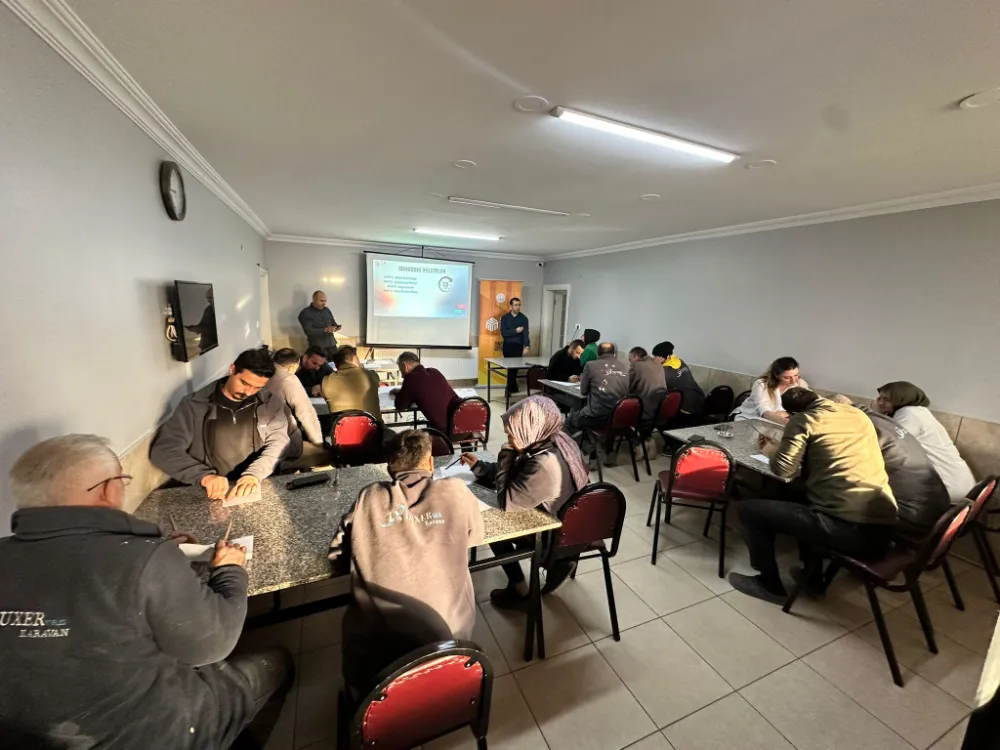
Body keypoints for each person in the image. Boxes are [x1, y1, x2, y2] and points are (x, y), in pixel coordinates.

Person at [0, 435, 292, 749]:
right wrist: (230, 569)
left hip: (29, 740)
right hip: (153, 734)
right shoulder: (141, 556)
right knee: (277, 663)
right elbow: (213, 644)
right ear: (108, 489)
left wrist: (164, 560)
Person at [329, 430, 484, 697]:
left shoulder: (369, 496)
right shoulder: (456, 491)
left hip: (375, 673)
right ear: (430, 463)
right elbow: (475, 537)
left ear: (389, 467)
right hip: (452, 649)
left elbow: (337, 557)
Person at [730, 388, 897, 603]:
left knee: (748, 510)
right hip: (884, 527)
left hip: (847, 528)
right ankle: (813, 581)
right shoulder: (857, 415)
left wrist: (771, 451)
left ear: (792, 414)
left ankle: (769, 584)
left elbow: (783, 470)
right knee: (801, 499)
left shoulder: (805, 420)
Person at [460, 396, 590, 608]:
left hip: (553, 534)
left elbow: (506, 501)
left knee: (490, 523)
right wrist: (480, 467)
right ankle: (562, 561)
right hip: (571, 523)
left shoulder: (545, 464)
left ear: (530, 430)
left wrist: (506, 453)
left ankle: (519, 588)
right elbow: (520, 474)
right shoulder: (557, 441)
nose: (508, 438)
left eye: (511, 434)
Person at [151, 348, 289, 501]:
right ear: (232, 369)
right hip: (213, 492)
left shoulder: (269, 402)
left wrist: (254, 474)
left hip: (255, 485)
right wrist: (204, 476)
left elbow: (279, 441)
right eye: (244, 383)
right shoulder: (194, 405)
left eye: (258, 387)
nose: (249, 392)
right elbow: (163, 451)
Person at [832, 395, 950, 541]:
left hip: (912, 519)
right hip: (937, 510)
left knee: (829, 505)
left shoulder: (861, 428)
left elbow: (847, 471)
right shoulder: (884, 420)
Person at [875, 381, 976, 502]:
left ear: (901, 399)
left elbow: (888, 444)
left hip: (947, 487)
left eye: (886, 399)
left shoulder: (908, 413)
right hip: (960, 483)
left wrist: (877, 415)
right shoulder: (919, 411)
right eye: (879, 398)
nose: (880, 402)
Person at [565, 342, 630, 433]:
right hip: (621, 416)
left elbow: (583, 391)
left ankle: (570, 441)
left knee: (570, 419)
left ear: (598, 353)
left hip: (598, 417)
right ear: (614, 353)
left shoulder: (590, 365)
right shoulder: (626, 365)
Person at [267, 348, 324, 446]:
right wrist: (318, 442)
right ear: (292, 367)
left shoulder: (261, 373)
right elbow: (306, 413)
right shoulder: (288, 379)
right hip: (280, 435)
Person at [393, 351, 460, 434]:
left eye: (401, 370)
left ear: (405, 366)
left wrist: (399, 393)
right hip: (462, 424)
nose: (402, 376)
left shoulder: (410, 378)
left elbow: (400, 406)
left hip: (444, 432)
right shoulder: (435, 371)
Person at [731, 356, 810, 423]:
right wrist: (790, 424)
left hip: (775, 422)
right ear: (776, 375)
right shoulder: (761, 384)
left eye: (796, 375)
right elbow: (764, 412)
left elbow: (808, 407)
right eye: (787, 377)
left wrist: (788, 413)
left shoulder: (801, 384)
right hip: (747, 418)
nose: (793, 380)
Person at [322, 345, 383, 422]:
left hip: (342, 429)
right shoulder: (371, 375)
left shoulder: (327, 381)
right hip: (374, 427)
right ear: (355, 359)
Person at [651, 341, 706, 416]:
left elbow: (654, 388)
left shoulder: (665, 372)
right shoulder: (678, 361)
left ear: (661, 357)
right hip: (700, 399)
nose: (653, 358)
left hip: (686, 408)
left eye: (655, 356)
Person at [628, 346, 668, 424]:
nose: (630, 363)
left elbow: (628, 386)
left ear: (635, 357)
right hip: (660, 408)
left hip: (645, 410)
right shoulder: (657, 363)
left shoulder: (637, 365)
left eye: (630, 360)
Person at [298, 290, 341, 359]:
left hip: (332, 346)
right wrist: (325, 330)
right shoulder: (305, 313)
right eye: (321, 301)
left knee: (337, 363)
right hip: (318, 347)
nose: (324, 303)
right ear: (314, 300)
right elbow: (308, 331)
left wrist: (337, 327)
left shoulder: (327, 310)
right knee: (321, 365)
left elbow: (333, 323)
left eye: (325, 301)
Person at [500, 297, 530, 396]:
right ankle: (512, 387)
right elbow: (503, 333)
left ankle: (509, 388)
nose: (518, 307)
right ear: (511, 306)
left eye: (519, 305)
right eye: (516, 305)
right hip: (507, 345)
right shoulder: (505, 318)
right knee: (509, 367)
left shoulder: (523, 318)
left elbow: (525, 333)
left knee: (515, 368)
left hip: (518, 346)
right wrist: (515, 331)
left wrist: (526, 346)